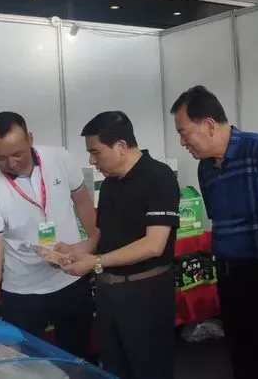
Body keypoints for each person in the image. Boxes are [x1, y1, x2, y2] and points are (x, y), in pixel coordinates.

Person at [171, 85, 258, 379]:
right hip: (233, 281)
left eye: (184, 132)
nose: (183, 142)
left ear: (209, 124)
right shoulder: (205, 168)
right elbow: (220, 221)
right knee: (244, 363)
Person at [56, 111, 180, 379]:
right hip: (109, 294)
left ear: (121, 146)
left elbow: (154, 245)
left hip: (146, 294)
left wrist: (96, 262)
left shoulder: (159, 177)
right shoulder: (110, 184)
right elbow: (104, 235)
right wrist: (75, 250)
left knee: (149, 368)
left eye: (95, 152)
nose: (91, 160)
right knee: (113, 368)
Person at [0, 111, 97, 360]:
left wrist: (94, 245)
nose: (11, 163)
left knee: (75, 357)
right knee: (27, 364)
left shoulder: (59, 158)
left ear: (30, 139)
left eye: (17, 154)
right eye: (0, 157)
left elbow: (83, 203)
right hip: (23, 291)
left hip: (70, 279)